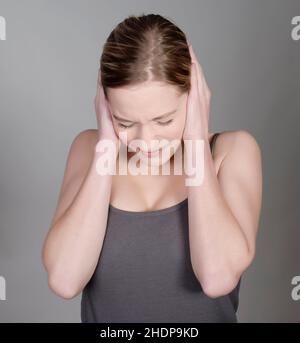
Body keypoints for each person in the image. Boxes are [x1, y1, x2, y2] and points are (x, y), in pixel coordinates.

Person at [42, 14, 263, 323]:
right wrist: (107, 142)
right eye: (126, 122)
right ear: (105, 106)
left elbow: (217, 277)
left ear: (194, 94)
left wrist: (197, 142)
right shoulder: (90, 150)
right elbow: (65, 280)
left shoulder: (232, 151)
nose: (146, 141)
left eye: (164, 120)